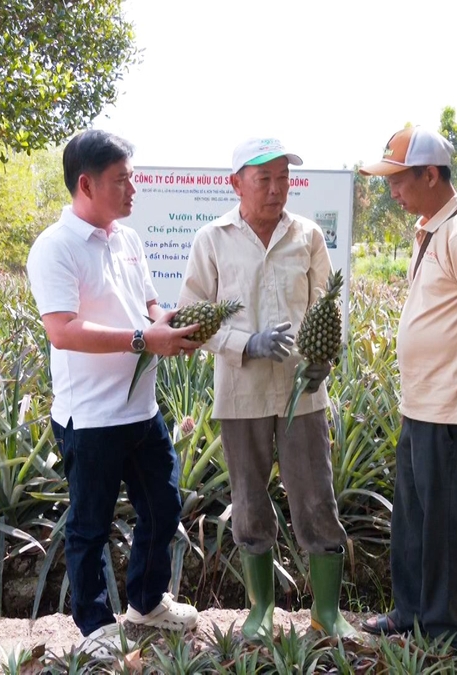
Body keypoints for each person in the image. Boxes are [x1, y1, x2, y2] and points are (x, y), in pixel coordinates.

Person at [26, 129, 201, 659]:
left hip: (141, 410)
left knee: (164, 506)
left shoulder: (128, 239)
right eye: (122, 179)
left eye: (133, 177)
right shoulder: (54, 248)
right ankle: (96, 626)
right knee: (90, 525)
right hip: (92, 416)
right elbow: (63, 330)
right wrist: (143, 338)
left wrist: (169, 323)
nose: (133, 188)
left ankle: (146, 604)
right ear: (86, 183)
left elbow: (148, 306)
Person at [178, 137, 357, 642]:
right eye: (265, 179)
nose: (277, 189)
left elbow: (328, 306)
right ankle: (261, 613)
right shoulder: (211, 239)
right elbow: (192, 317)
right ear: (236, 183)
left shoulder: (308, 235)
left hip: (303, 393)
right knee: (250, 501)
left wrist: (324, 358)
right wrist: (244, 342)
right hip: (241, 391)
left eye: (284, 178)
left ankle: (328, 612)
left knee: (317, 498)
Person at [355, 126, 457, 649]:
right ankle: (411, 612)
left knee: (446, 523)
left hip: (455, 410)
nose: (393, 193)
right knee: (415, 516)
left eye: (400, 181)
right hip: (424, 403)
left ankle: (448, 631)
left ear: (431, 174)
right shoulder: (431, 230)